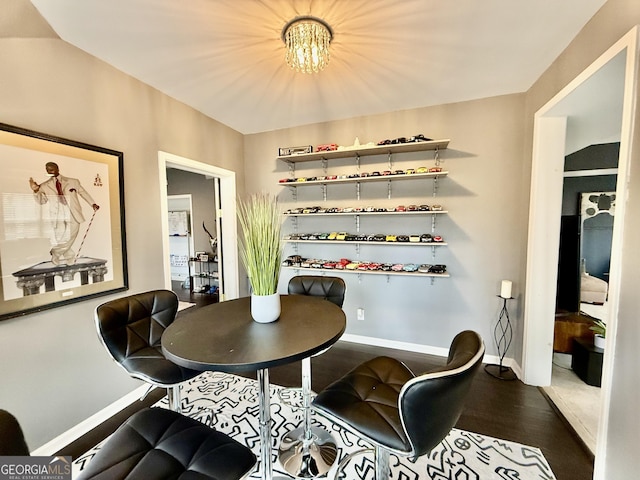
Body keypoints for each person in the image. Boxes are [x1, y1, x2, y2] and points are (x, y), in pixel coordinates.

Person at [28, 161, 99, 266]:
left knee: (72, 234)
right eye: (47, 170)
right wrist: (35, 191)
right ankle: (69, 256)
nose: (50, 172)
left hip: (72, 212)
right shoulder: (44, 186)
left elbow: (83, 193)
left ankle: (56, 252)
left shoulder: (73, 182)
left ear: (57, 169)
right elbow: (41, 202)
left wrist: (92, 203)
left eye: (51, 169)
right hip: (57, 215)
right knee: (62, 236)